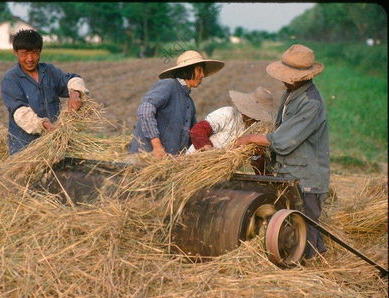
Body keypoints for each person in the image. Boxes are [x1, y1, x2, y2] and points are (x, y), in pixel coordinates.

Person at [235, 44, 329, 259]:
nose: (282, 79)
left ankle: (310, 268)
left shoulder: (310, 103)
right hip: (290, 171)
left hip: (306, 177)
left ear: (299, 77)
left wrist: (249, 138)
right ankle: (305, 257)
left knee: (307, 225)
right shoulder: (291, 94)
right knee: (294, 223)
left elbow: (284, 140)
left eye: (287, 76)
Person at [1, 29, 89, 155]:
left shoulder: (49, 71)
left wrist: (75, 93)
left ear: (40, 52)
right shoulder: (11, 79)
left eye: (35, 53)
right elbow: (20, 112)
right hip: (25, 147)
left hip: (54, 143)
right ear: (15, 53)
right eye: (24, 54)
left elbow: (72, 79)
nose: (30, 59)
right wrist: (47, 126)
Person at [128, 50, 224, 158]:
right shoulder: (168, 85)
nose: (203, 75)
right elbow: (145, 109)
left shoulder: (189, 103)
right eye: (199, 70)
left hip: (165, 163)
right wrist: (157, 146)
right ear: (188, 69)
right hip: (144, 158)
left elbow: (192, 135)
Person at [187, 87, 274, 174]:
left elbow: (258, 160)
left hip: (219, 173)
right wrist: (209, 151)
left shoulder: (253, 131)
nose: (257, 119)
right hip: (195, 164)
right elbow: (198, 130)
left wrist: (264, 173)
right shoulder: (227, 114)